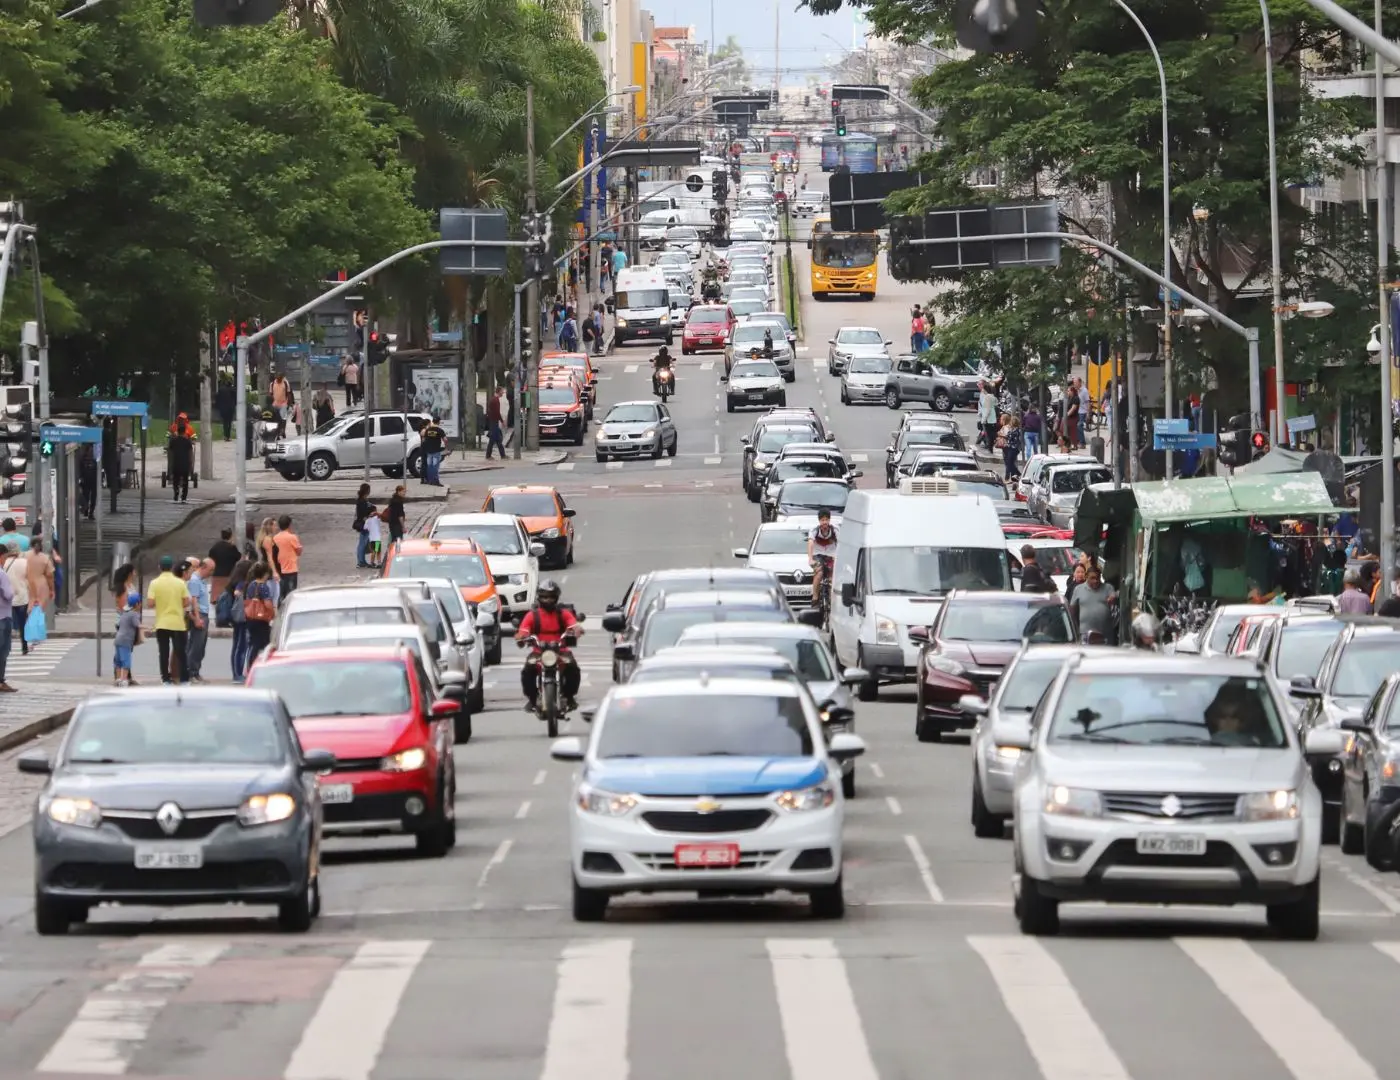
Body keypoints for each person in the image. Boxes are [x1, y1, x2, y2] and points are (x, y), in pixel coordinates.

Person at [514, 580, 582, 712]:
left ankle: (569, 697)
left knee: (573, 668)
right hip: (539, 652)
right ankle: (532, 699)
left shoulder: (563, 613)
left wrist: (576, 630)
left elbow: (573, 624)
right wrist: (521, 636)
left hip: (560, 651)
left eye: (551, 597)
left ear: (556, 598)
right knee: (527, 671)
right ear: (539, 597)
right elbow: (523, 630)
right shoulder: (532, 615)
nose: (548, 600)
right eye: (545, 597)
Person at [146, 554, 192, 685]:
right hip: (178, 622)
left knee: (163, 652)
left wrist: (161, 602)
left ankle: (165, 679)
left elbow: (150, 603)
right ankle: (184, 679)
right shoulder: (180, 583)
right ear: (171, 567)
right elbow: (186, 602)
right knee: (181, 652)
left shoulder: (154, 583)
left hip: (162, 623)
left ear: (159, 567)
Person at [1068, 562, 1116, 644]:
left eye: (1098, 578)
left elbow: (1113, 597)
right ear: (1086, 577)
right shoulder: (1078, 589)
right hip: (1085, 634)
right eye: (1092, 578)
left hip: (1105, 634)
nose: (1096, 581)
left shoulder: (1108, 588)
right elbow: (1072, 610)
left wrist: (1113, 599)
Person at [185, 558, 212, 682]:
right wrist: (196, 618)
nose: (211, 572)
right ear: (204, 567)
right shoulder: (195, 581)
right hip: (199, 614)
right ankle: (191, 672)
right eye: (211, 570)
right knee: (196, 645)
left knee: (200, 645)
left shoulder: (201, 581)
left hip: (203, 613)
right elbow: (194, 600)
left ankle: (195, 671)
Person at [807, 509, 839, 615]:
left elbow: (840, 543)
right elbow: (810, 543)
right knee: (819, 572)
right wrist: (810, 558)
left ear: (829, 520)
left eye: (826, 520)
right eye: (822, 520)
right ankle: (815, 596)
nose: (824, 522)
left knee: (832, 576)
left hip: (831, 555)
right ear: (819, 521)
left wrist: (839, 557)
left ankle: (832, 600)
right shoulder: (814, 530)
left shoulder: (835, 530)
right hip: (818, 555)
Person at [2, 542, 28, 657]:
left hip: (6, 599)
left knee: (8, 625)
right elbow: (28, 578)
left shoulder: (3, 563)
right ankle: (24, 646)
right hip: (22, 596)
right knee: (23, 623)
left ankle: (9, 647)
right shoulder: (24, 562)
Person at [271, 515, 302, 597]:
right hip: (291, 568)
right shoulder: (292, 537)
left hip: (279, 568)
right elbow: (299, 552)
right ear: (289, 525)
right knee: (291, 595)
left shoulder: (275, 538)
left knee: (281, 594)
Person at [167, 414, 195, 502]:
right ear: (184, 431)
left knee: (175, 480)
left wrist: (170, 465)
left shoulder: (173, 441)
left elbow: (170, 454)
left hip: (176, 464)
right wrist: (191, 466)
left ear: (177, 431)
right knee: (185, 481)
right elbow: (190, 454)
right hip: (185, 464)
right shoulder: (188, 442)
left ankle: (176, 492)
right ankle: (183, 497)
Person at [209, 527, 241, 600]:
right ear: (231, 536)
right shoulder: (231, 547)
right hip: (228, 575)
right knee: (227, 598)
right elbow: (238, 557)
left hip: (216, 575)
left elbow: (210, 557)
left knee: (216, 598)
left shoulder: (215, 546)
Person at [353, 483, 376, 569]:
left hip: (364, 523)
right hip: (364, 524)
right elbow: (363, 512)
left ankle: (361, 560)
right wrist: (371, 510)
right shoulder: (362, 501)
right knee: (362, 543)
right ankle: (361, 561)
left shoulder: (362, 500)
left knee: (362, 542)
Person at [420, 415, 446, 486]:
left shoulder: (428, 430)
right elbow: (445, 439)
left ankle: (430, 480)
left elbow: (423, 440)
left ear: (433, 421)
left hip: (428, 451)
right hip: (436, 450)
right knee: (435, 466)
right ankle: (436, 481)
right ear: (439, 422)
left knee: (429, 466)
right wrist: (445, 446)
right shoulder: (439, 430)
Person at [77, 446, 98, 519]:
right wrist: (80, 478)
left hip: (94, 481)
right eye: (90, 451)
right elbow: (80, 469)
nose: (91, 452)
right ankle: (86, 510)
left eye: (92, 451)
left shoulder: (95, 460)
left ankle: (91, 512)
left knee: (93, 498)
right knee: (86, 496)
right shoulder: (83, 460)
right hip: (85, 481)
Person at [485, 388, 506, 460]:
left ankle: (502, 455)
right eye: (502, 392)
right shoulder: (495, 400)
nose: (503, 393)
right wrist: (502, 421)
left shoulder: (493, 399)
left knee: (497, 439)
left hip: (493, 421)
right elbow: (497, 412)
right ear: (499, 392)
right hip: (494, 422)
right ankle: (488, 455)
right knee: (493, 439)